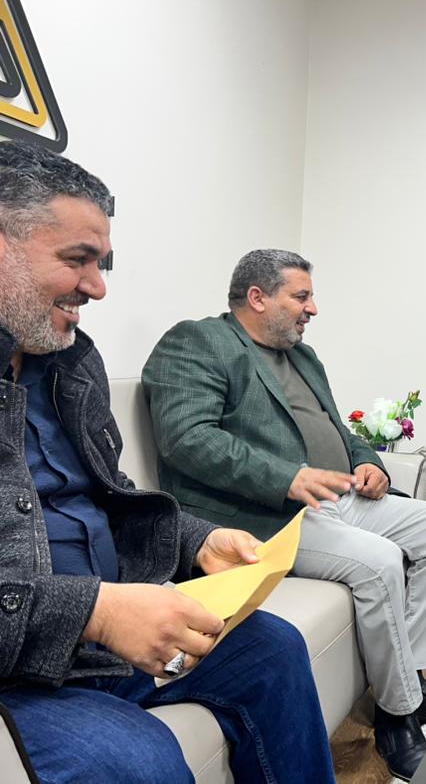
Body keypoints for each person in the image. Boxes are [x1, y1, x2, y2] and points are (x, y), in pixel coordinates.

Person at [0, 141, 334, 783]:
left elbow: (110, 496)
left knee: (272, 647)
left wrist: (197, 540)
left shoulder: (69, 363)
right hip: (22, 673)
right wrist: (97, 612)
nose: (98, 287)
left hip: (100, 642)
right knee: (139, 759)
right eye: (77, 260)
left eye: (101, 263)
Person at [141, 249, 426, 781]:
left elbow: (337, 427)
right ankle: (397, 715)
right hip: (267, 515)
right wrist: (286, 478)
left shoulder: (303, 357)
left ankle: (410, 675)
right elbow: (187, 439)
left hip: (338, 498)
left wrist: (367, 462)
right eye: (301, 296)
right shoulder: (199, 342)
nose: (312, 308)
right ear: (257, 297)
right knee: (380, 561)